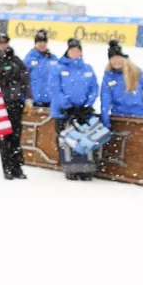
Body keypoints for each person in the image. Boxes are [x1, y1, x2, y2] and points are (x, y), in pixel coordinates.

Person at [49, 38, 99, 181]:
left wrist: (86, 105)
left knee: (84, 140)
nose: (75, 53)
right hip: (63, 112)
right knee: (67, 141)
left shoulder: (87, 68)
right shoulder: (58, 67)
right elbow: (55, 89)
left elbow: (94, 88)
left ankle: (85, 169)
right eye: (72, 50)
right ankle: (70, 168)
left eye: (78, 50)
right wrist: (68, 107)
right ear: (68, 51)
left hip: (82, 112)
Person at [0, 31, 31, 180]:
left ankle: (17, 167)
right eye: (0, 42)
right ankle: (6, 167)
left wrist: (28, 97)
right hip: (0, 105)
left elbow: (26, 79)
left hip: (16, 103)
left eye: (5, 42)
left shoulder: (15, 59)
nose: (3, 45)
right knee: (3, 137)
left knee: (16, 137)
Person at [100, 40, 143, 127]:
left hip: (140, 116)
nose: (116, 61)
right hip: (119, 117)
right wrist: (105, 120)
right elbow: (105, 99)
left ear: (123, 58)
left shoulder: (136, 71)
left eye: (118, 57)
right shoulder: (108, 76)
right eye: (112, 58)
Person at [22, 29, 57, 107]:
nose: (42, 44)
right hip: (34, 100)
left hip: (50, 100)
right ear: (35, 43)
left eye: (44, 42)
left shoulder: (53, 59)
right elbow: (23, 79)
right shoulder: (29, 59)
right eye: (39, 42)